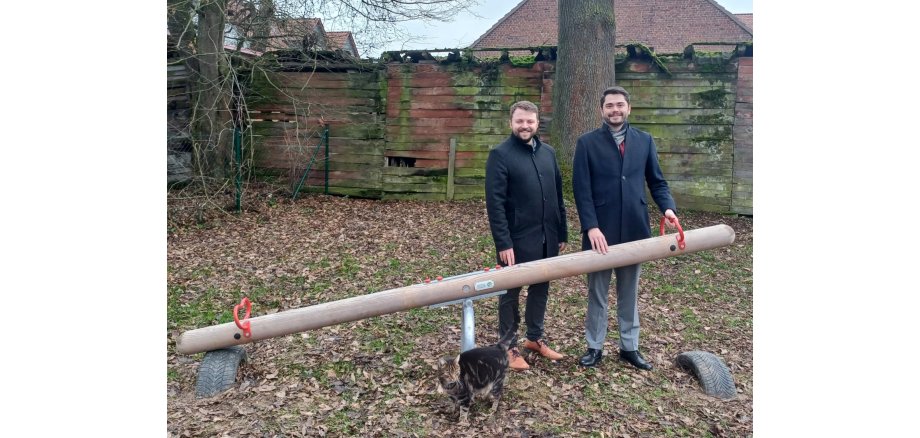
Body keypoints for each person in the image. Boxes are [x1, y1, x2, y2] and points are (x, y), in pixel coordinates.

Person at [572, 86, 679, 370]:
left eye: (620, 105)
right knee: (597, 292)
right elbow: (581, 190)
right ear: (602, 110)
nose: (615, 110)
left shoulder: (644, 141)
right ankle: (594, 346)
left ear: (628, 108)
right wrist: (591, 227)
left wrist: (668, 208)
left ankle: (629, 347)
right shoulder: (586, 143)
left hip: (634, 229)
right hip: (600, 235)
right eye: (610, 106)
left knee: (629, 293)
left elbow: (657, 181)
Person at [485, 100, 568, 371]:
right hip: (516, 239)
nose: (525, 126)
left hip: (548, 235)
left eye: (530, 121)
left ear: (537, 122)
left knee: (541, 287)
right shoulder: (500, 154)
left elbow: (558, 195)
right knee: (511, 293)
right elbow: (495, 204)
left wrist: (562, 231)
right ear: (511, 122)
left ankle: (534, 338)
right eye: (520, 121)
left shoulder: (548, 153)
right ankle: (508, 347)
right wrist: (503, 242)